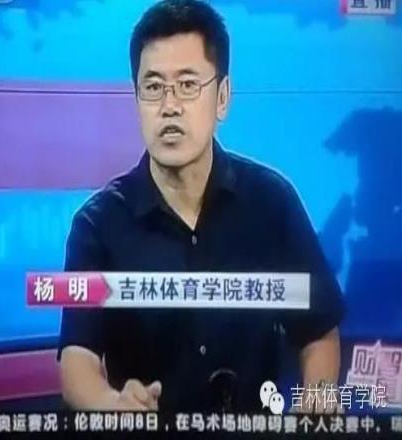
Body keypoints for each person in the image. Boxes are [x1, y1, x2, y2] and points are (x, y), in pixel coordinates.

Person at [57, 0, 344, 412]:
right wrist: (111, 402)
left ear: (222, 97)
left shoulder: (271, 202)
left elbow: (318, 331)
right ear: (136, 98)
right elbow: (77, 362)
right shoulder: (98, 225)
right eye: (153, 87)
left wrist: (316, 404)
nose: (169, 105)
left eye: (188, 85)